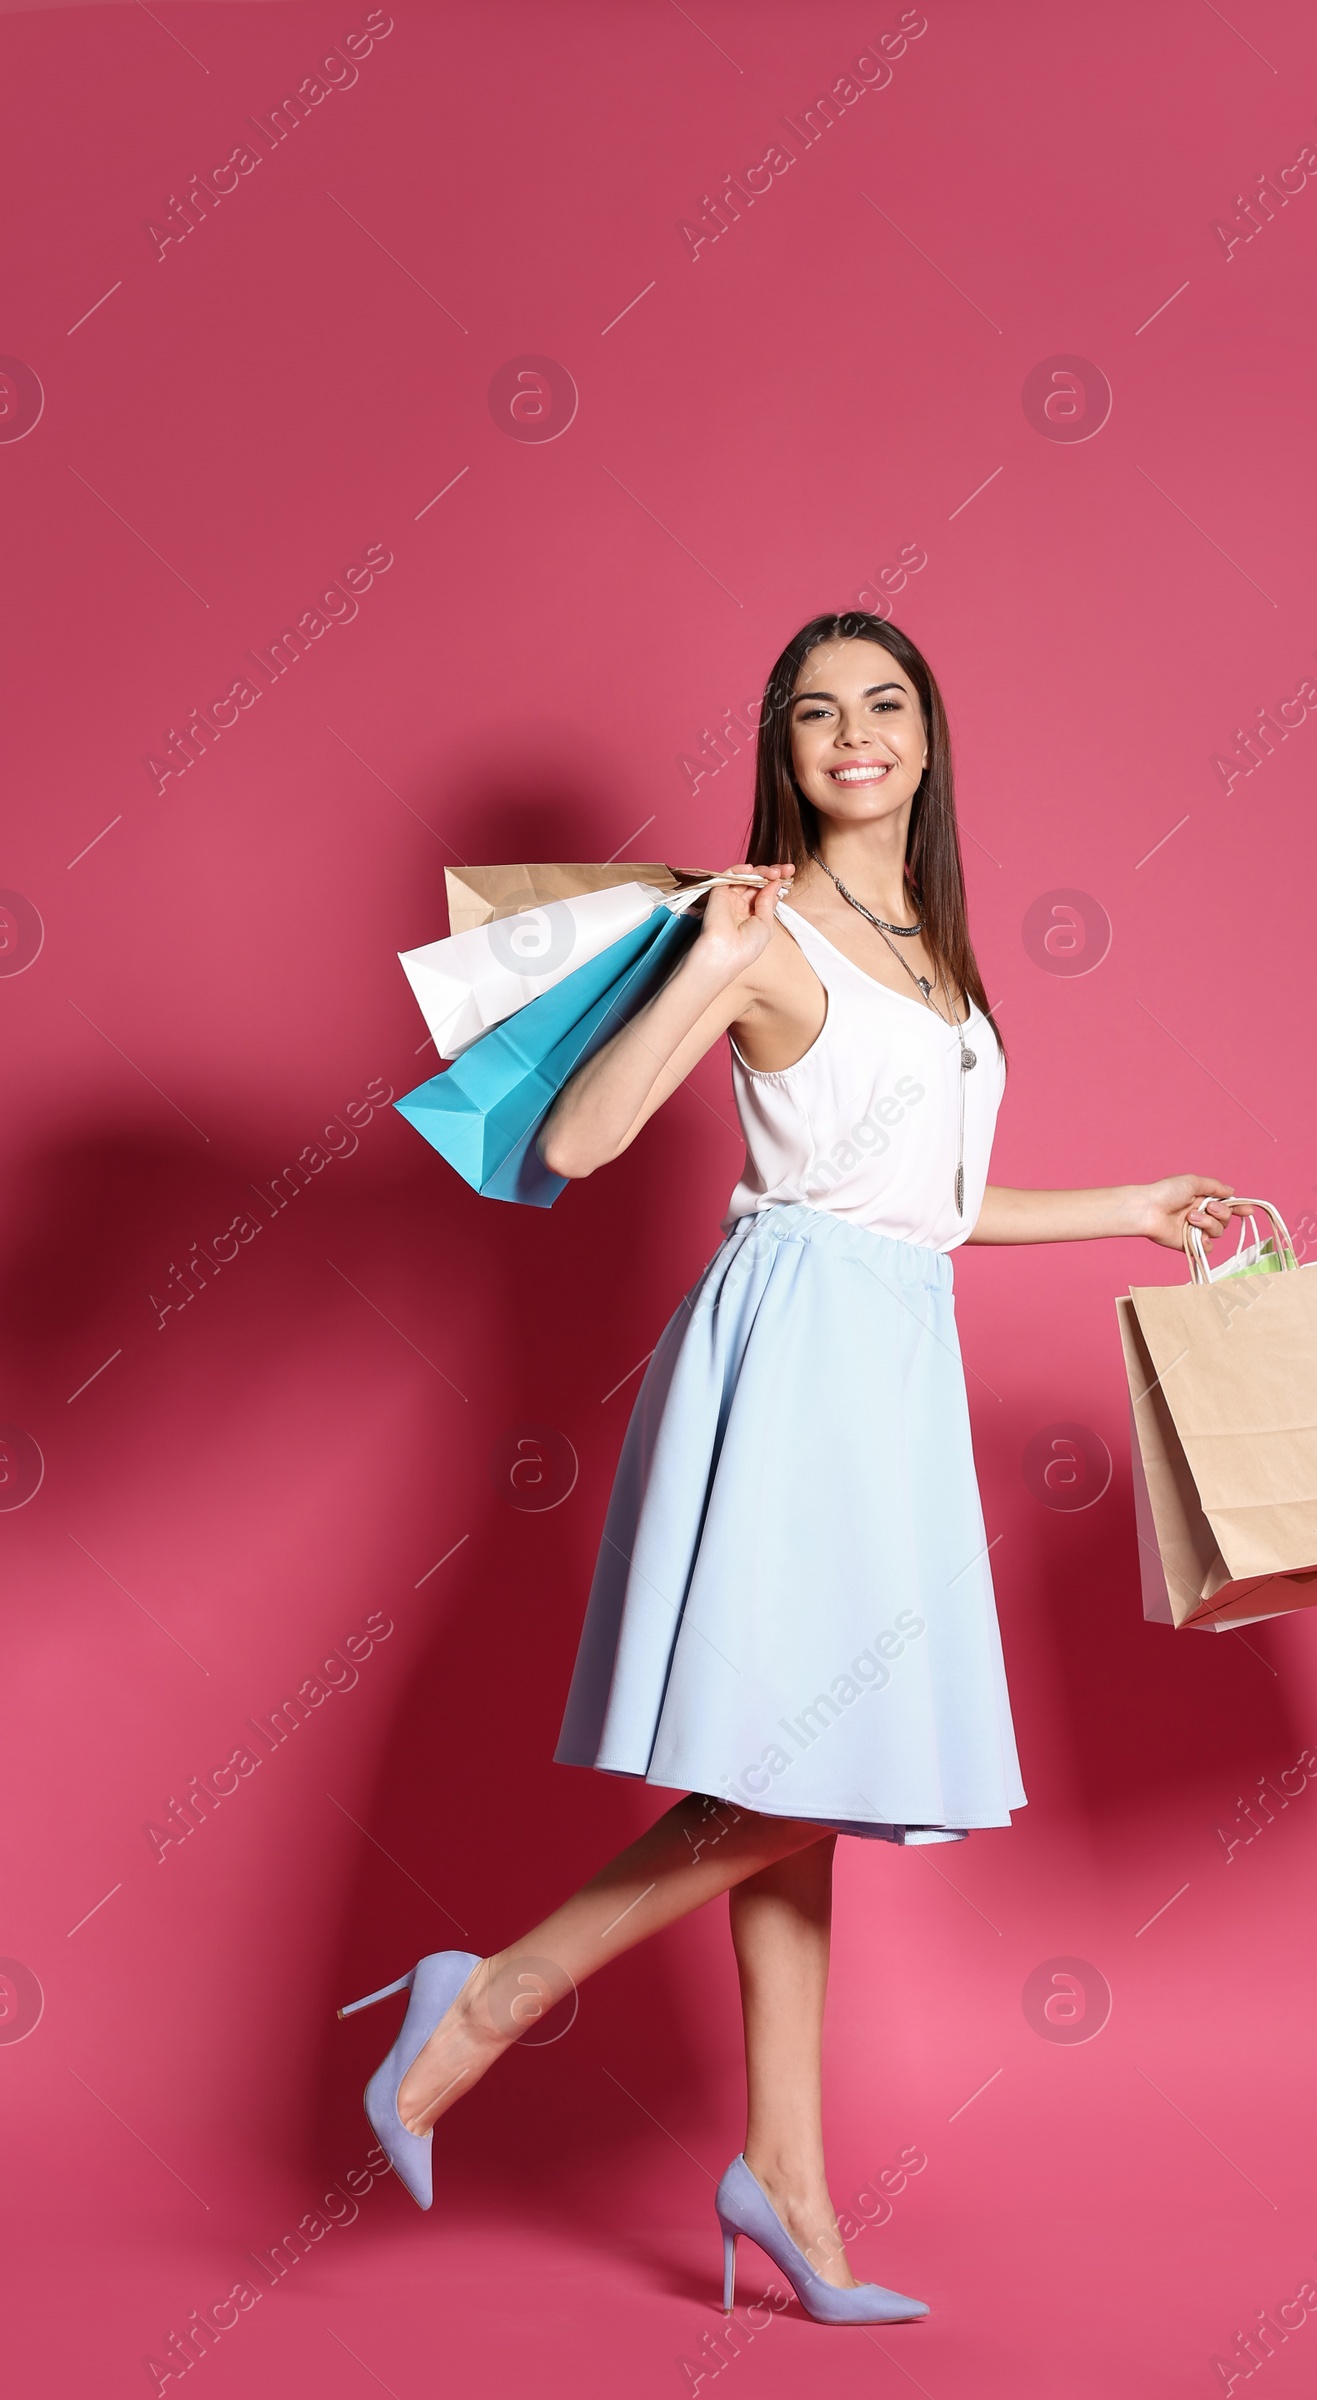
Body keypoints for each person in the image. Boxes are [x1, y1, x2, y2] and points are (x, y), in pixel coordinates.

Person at [340, 612, 1234, 2326]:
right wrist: (699, 962)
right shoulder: (761, 934)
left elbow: (938, 1205)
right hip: (795, 1352)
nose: (854, 733)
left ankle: (790, 2187)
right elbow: (586, 1139)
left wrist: (1131, 1201)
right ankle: (490, 2000)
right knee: (808, 1766)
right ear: (784, 748)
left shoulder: (940, 955)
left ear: (927, 736)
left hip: (889, 1342)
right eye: (817, 711)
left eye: (883, 704)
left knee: (795, 1784)